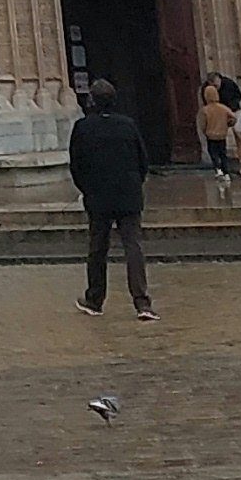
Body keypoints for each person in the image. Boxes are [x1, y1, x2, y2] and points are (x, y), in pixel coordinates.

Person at [69, 78, 155, 318]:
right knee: (133, 246)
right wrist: (134, 184)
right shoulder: (127, 125)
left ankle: (94, 300)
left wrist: (87, 189)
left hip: (98, 196)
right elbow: (142, 161)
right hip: (128, 195)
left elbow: (76, 165)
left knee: (97, 247)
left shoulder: (83, 127)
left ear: (92, 101)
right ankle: (142, 302)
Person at [197, 75, 240, 203]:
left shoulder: (205, 110)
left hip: (211, 135)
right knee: (223, 153)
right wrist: (228, 124)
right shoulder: (223, 108)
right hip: (222, 134)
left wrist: (204, 131)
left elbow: (202, 123)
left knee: (214, 153)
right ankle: (226, 172)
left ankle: (218, 169)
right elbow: (233, 116)